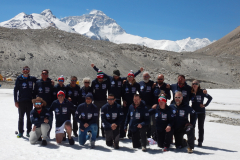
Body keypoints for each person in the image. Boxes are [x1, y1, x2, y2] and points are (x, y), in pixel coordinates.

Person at [14, 66, 37, 138]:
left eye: (27, 69)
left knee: (29, 117)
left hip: (29, 101)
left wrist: (50, 81)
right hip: (21, 101)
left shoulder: (31, 78)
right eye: (24, 69)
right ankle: (20, 132)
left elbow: (40, 81)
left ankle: (28, 132)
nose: (25, 70)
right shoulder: (19, 79)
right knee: (21, 117)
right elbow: (15, 90)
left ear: (29, 71)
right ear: (22, 70)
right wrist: (16, 101)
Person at [190, 80, 212, 147]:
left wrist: (205, 105)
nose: (195, 85)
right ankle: (192, 139)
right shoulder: (191, 92)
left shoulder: (202, 92)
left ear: (198, 85)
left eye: (196, 84)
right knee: (192, 126)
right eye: (193, 83)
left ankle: (200, 141)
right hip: (193, 112)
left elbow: (210, 98)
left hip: (201, 112)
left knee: (200, 127)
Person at [34, 69, 54, 137]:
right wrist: (35, 103)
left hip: (48, 104)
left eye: (45, 74)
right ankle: (39, 133)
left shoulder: (50, 83)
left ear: (47, 75)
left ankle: (47, 133)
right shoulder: (38, 82)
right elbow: (34, 93)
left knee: (49, 119)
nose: (44, 75)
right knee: (39, 118)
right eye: (43, 73)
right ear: (41, 74)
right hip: (40, 105)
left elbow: (53, 94)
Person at [121, 71, 140, 138]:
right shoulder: (125, 83)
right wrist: (123, 100)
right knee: (124, 118)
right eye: (129, 76)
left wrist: (137, 100)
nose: (130, 78)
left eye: (131, 76)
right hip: (126, 103)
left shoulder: (136, 84)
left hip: (133, 104)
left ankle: (130, 134)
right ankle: (122, 134)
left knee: (132, 118)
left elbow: (140, 92)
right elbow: (122, 93)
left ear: (133, 77)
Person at [91, 70, 110, 137]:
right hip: (96, 101)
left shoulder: (106, 82)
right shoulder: (94, 82)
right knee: (96, 117)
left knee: (103, 117)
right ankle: (96, 132)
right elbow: (91, 91)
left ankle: (103, 132)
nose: (101, 79)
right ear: (97, 77)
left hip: (104, 101)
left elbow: (109, 89)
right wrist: (92, 99)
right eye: (99, 78)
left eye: (102, 78)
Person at [139, 71, 154, 138]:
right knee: (141, 119)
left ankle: (149, 134)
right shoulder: (140, 83)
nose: (146, 77)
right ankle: (141, 133)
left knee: (149, 120)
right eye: (144, 76)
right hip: (141, 105)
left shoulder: (152, 83)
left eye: (147, 76)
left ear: (149, 77)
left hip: (150, 105)